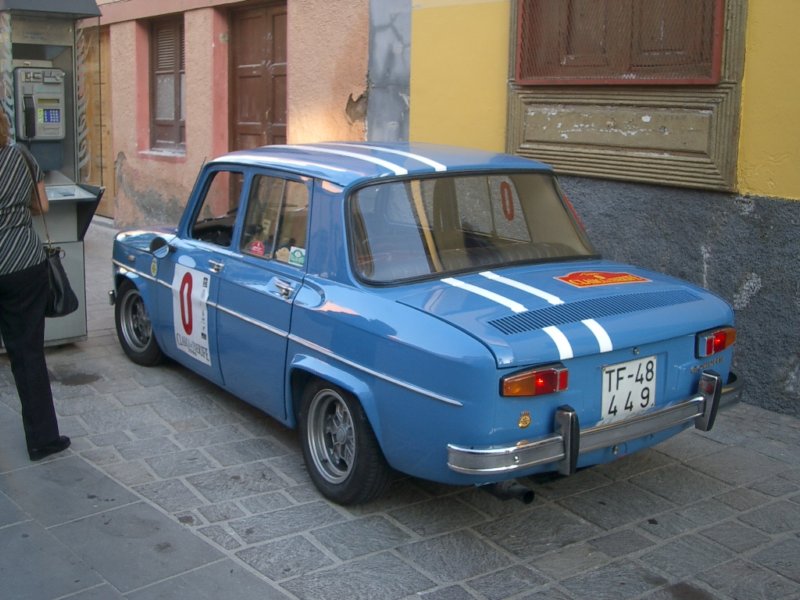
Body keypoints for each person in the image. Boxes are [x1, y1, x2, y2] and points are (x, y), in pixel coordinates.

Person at [0, 112, 70, 461]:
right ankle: (42, 439)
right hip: (24, 265)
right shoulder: (21, 156)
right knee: (28, 354)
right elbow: (41, 205)